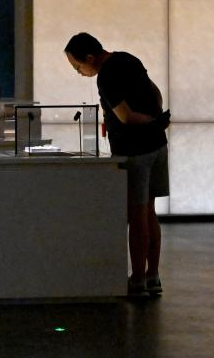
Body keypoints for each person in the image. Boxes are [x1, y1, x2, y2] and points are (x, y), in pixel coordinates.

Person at [64, 32, 170, 297]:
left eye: (78, 67)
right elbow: (155, 93)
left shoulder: (107, 76)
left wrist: (148, 122)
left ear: (90, 57)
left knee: (137, 215)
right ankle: (153, 275)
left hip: (134, 151)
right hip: (158, 146)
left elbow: (126, 117)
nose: (79, 73)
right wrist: (156, 120)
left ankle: (137, 280)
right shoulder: (128, 59)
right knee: (149, 212)